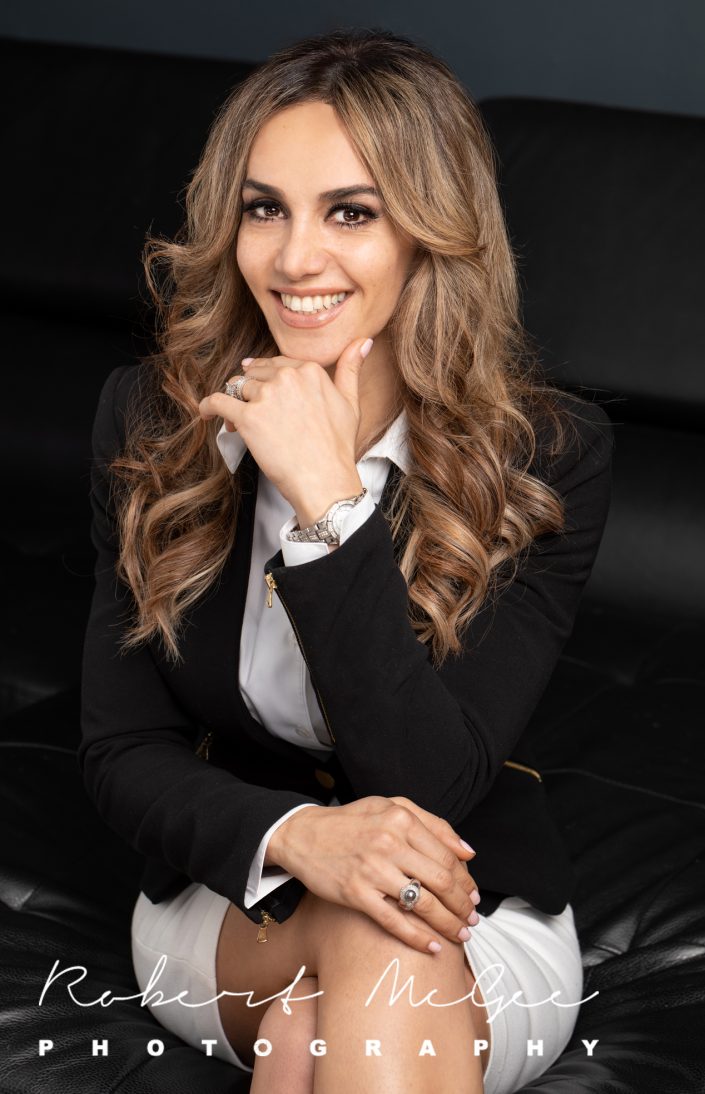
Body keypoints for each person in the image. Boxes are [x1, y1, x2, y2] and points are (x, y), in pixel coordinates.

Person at [79, 26, 613, 1094]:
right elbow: (121, 749)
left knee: (316, 1021)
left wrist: (329, 504)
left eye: (352, 213)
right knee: (367, 936)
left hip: (471, 913)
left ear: (430, 234)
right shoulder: (149, 418)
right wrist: (299, 836)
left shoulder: (546, 454)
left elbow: (428, 781)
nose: (292, 258)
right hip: (232, 895)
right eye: (265, 206)